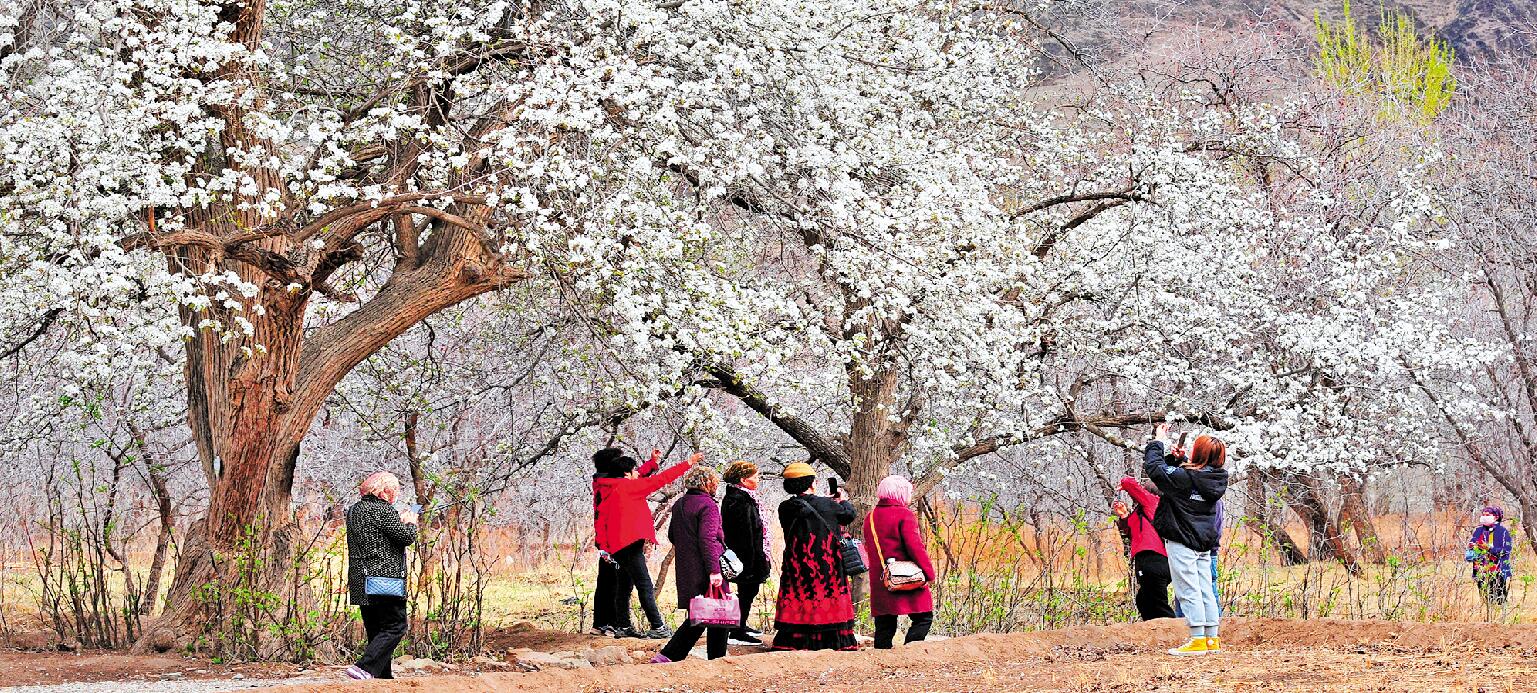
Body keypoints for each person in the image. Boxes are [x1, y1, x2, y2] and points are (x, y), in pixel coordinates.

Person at [595, 449, 700, 639]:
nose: (637, 473)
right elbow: (660, 479)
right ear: (626, 474)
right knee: (644, 584)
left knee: (624, 587)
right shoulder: (629, 487)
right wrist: (688, 463)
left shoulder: (609, 487)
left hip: (617, 546)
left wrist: (604, 546)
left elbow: (601, 519)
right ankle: (657, 625)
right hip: (630, 544)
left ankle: (624, 626)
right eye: (634, 470)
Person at [1144, 423, 1228, 656]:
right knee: (1204, 590)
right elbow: (1175, 479)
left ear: (1198, 454)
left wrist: (1157, 442)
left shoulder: (1186, 478)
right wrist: (1176, 459)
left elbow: (1155, 469)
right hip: (1203, 541)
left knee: (1188, 589)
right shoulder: (1215, 479)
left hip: (1182, 539)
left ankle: (1197, 639)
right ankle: (1211, 639)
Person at [771, 462, 858, 651]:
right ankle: (832, 640)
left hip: (796, 563)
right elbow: (849, 514)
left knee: (799, 594)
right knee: (827, 595)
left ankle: (794, 640)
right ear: (812, 483)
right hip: (828, 563)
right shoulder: (828, 505)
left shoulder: (784, 507)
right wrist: (840, 500)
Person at [344, 472, 419, 680]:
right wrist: (410, 522)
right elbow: (406, 538)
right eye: (394, 490)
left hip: (360, 579)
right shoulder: (384, 511)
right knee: (396, 625)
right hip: (384, 579)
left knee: (376, 629)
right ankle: (364, 667)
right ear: (384, 491)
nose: (396, 494)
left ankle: (382, 676)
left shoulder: (354, 510)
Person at [652, 467, 730, 663]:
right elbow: (708, 539)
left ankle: (670, 655)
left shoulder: (680, 503)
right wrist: (714, 570)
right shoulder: (708, 505)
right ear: (708, 483)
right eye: (714, 482)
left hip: (687, 567)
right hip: (707, 566)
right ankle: (715, 658)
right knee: (717, 611)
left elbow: (672, 535)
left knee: (706, 613)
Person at [591, 448, 660, 636]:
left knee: (615, 582)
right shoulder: (606, 485)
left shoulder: (611, 480)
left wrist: (652, 463)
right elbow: (600, 517)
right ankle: (607, 623)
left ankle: (613, 623)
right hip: (612, 541)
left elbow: (634, 475)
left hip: (612, 541)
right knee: (610, 582)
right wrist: (602, 546)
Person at [864, 475, 937, 649]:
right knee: (923, 617)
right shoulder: (904, 514)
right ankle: (910, 652)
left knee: (885, 624)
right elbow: (915, 547)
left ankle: (880, 659)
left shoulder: (871, 517)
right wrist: (928, 573)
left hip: (882, 578)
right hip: (906, 577)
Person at [721, 460, 771, 646]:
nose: (758, 479)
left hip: (749, 553)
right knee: (747, 590)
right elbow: (744, 533)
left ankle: (739, 625)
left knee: (749, 591)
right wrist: (753, 559)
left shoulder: (742, 498)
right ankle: (738, 629)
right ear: (743, 480)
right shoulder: (738, 501)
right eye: (755, 476)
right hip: (746, 555)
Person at [1114, 477, 1176, 621]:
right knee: (1143, 600)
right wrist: (1124, 516)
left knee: (1158, 605)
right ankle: (1154, 633)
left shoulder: (1155, 502)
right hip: (1150, 561)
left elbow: (1129, 483)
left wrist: (1124, 484)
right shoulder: (1145, 510)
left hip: (1153, 560)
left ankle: (1175, 632)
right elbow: (1134, 533)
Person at [1466, 505, 1513, 606]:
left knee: (1499, 599)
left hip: (1497, 569)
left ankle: (1500, 619)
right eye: (1483, 515)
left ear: (1496, 517)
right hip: (1480, 570)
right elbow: (1472, 544)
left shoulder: (1503, 532)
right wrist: (1472, 546)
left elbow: (1506, 550)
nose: (1484, 517)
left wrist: (1489, 548)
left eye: (1487, 515)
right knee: (1485, 599)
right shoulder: (1478, 531)